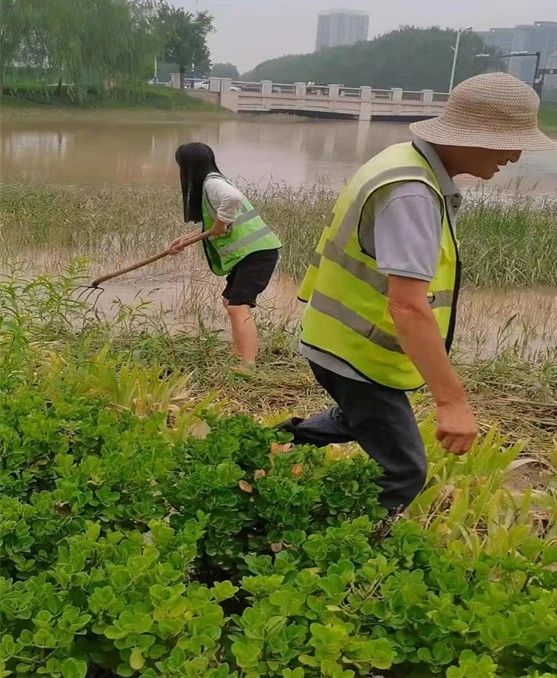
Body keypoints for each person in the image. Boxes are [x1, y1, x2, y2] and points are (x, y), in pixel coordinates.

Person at [281, 72, 556, 511]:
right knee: (404, 472)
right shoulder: (412, 193)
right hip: (357, 354)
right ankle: (331, 540)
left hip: (340, 341)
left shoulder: (402, 160)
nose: (516, 155)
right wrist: (452, 402)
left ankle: (270, 449)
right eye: (509, 142)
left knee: (359, 418)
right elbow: (407, 307)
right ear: (473, 137)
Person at [170, 142, 282, 365]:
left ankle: (247, 365)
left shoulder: (212, 183)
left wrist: (221, 223)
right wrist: (185, 240)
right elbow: (216, 226)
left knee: (238, 306)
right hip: (250, 254)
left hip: (257, 254)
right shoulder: (212, 183)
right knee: (229, 300)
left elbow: (233, 199)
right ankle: (239, 352)